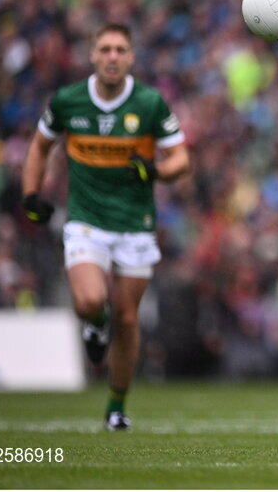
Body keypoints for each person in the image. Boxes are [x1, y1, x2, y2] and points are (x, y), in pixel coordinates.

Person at [21, 23, 190, 431]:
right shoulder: (68, 101)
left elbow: (181, 159)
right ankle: (94, 326)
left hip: (135, 224)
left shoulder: (149, 103)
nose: (112, 56)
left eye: (120, 49)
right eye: (105, 49)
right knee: (90, 301)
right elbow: (41, 145)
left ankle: (116, 406)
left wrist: (156, 172)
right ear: (93, 55)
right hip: (87, 220)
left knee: (128, 319)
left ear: (131, 57)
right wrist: (30, 195)